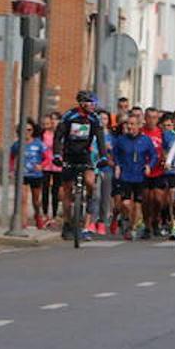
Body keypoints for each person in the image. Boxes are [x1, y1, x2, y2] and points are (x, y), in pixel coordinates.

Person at [53, 90, 109, 241]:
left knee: (91, 183)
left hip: (85, 155)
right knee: (67, 191)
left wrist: (103, 157)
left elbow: (100, 138)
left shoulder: (94, 118)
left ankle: (89, 204)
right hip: (69, 155)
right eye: (91, 102)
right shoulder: (69, 116)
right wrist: (57, 155)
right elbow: (58, 136)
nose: (93, 105)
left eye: (94, 103)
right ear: (82, 103)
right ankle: (67, 223)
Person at [111, 114, 156, 240]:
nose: (129, 126)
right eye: (128, 124)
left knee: (137, 204)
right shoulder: (121, 139)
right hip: (125, 175)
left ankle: (132, 227)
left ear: (138, 126)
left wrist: (149, 166)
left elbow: (153, 155)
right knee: (125, 203)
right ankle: (126, 218)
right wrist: (117, 165)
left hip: (139, 176)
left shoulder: (145, 140)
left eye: (132, 124)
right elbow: (115, 154)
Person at [9, 119, 47, 229]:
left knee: (36, 201)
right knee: (23, 200)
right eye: (24, 130)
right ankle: (23, 223)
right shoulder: (17, 144)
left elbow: (47, 158)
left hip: (36, 175)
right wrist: (11, 170)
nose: (27, 132)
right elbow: (11, 158)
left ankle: (38, 215)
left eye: (29, 130)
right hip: (22, 175)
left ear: (33, 131)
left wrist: (42, 166)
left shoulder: (39, 144)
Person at [141, 108, 170, 238]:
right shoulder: (141, 132)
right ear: (145, 118)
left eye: (154, 117)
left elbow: (166, 149)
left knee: (158, 199)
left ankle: (156, 221)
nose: (151, 120)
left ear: (158, 119)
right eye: (149, 117)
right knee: (146, 199)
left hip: (158, 170)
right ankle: (147, 225)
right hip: (143, 170)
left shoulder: (161, 133)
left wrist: (166, 158)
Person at [40, 112, 64, 228]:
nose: (54, 122)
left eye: (56, 119)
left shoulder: (62, 135)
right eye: (52, 119)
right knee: (45, 190)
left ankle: (54, 215)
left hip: (58, 166)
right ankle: (44, 214)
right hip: (45, 165)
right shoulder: (44, 134)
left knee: (55, 191)